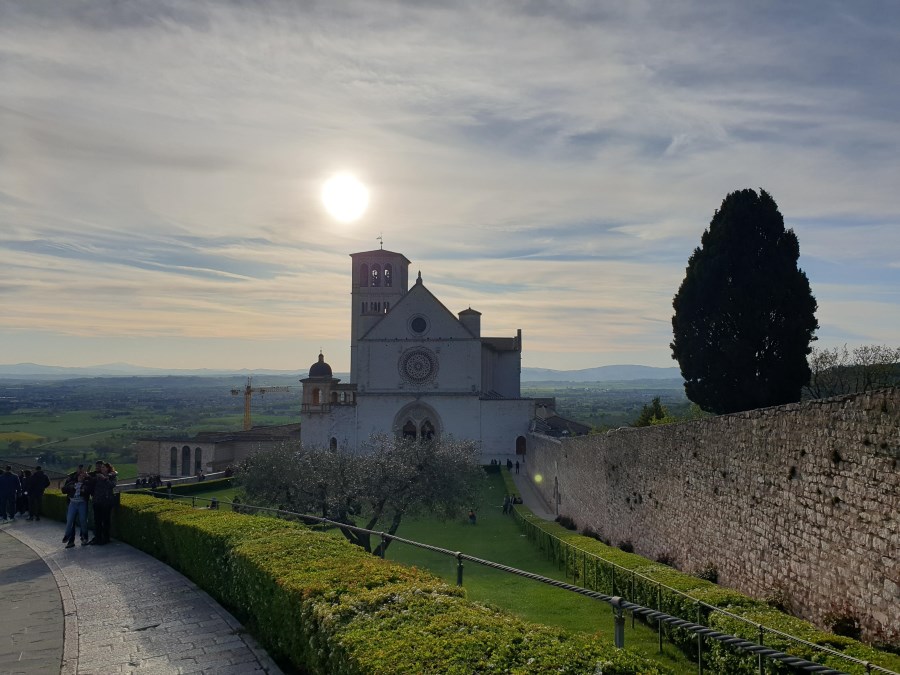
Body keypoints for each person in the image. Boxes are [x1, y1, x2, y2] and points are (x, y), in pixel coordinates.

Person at [88, 464, 116, 545]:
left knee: (106, 520)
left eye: (103, 467)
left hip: (107, 502)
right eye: (101, 467)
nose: (102, 468)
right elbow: (91, 481)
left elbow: (112, 485)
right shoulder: (97, 476)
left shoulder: (112, 476)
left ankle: (106, 538)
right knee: (97, 521)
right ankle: (98, 538)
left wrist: (105, 479)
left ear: (107, 468)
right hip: (97, 501)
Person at [62, 471, 91, 548]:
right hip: (73, 503)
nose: (81, 478)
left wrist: (83, 491)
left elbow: (89, 490)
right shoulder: (72, 483)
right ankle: (67, 536)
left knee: (83, 521)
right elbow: (63, 490)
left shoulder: (86, 483)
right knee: (69, 520)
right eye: (80, 476)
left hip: (82, 503)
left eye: (83, 476)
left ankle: (84, 537)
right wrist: (72, 487)